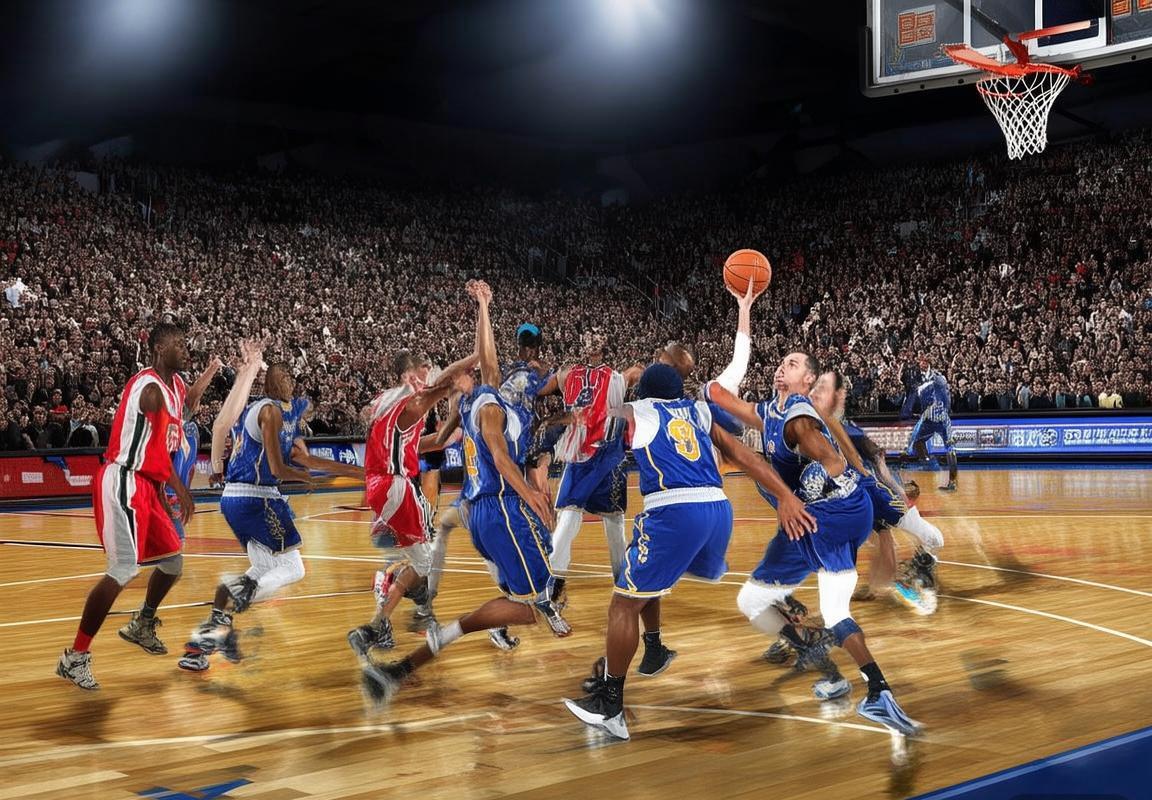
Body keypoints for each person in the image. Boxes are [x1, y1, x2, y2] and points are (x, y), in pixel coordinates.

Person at [563, 363, 817, 740]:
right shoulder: (698, 410)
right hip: (717, 510)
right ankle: (654, 648)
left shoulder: (640, 409)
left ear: (645, 394)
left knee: (623, 604)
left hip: (674, 511)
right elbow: (744, 455)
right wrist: (785, 496)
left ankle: (609, 705)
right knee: (642, 575)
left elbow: (598, 420)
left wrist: (574, 415)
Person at [361, 280, 569, 703]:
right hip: (501, 507)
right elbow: (497, 442)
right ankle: (411, 652)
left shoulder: (486, 406)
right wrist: (531, 494)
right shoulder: (491, 404)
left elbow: (452, 428)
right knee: (535, 601)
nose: (524, 382)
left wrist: (485, 307)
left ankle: (412, 658)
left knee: (521, 594)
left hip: (482, 510)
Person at [708, 351, 921, 736]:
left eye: (792, 364)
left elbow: (832, 462)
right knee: (751, 601)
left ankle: (878, 691)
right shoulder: (771, 411)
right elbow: (724, 398)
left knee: (835, 610)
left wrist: (801, 492)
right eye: (782, 362)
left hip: (827, 517)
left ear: (807, 381)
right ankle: (821, 656)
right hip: (813, 521)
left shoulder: (798, 419)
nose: (781, 366)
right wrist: (709, 386)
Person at [179, 355, 365, 671]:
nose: (289, 384)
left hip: (238, 498)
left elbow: (305, 460)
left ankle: (204, 638)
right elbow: (280, 468)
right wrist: (304, 478)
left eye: (291, 379)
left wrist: (359, 472)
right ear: (273, 383)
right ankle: (228, 611)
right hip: (256, 496)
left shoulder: (272, 416)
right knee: (294, 568)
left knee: (264, 567)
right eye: (285, 378)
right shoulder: (269, 411)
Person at [56, 322, 195, 690]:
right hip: (124, 479)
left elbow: (179, 419)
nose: (186, 350)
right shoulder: (150, 390)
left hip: (148, 484)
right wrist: (179, 489)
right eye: (179, 344)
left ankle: (142, 623)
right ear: (159, 349)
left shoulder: (175, 386)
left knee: (173, 562)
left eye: (186, 344)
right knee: (122, 569)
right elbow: (156, 450)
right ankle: (75, 657)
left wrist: (221, 372)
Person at [346, 317, 479, 657]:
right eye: (424, 369)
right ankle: (388, 610)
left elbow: (419, 445)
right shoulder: (409, 401)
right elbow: (442, 383)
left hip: (383, 488)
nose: (428, 374)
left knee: (416, 559)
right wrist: (471, 363)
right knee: (420, 561)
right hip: (396, 486)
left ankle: (381, 623)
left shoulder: (387, 402)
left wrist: (450, 430)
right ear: (409, 374)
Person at [812, 370, 942, 615]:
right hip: (869, 496)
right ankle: (907, 576)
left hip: (862, 498)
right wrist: (900, 491)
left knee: (886, 540)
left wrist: (898, 491)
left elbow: (875, 462)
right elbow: (879, 463)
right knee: (924, 539)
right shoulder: (842, 430)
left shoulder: (831, 431)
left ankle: (886, 581)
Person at [901, 357, 959, 491]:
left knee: (915, 440)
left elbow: (923, 394)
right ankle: (934, 466)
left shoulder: (935, 380)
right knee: (948, 447)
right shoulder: (936, 380)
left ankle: (930, 465)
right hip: (940, 418)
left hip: (932, 417)